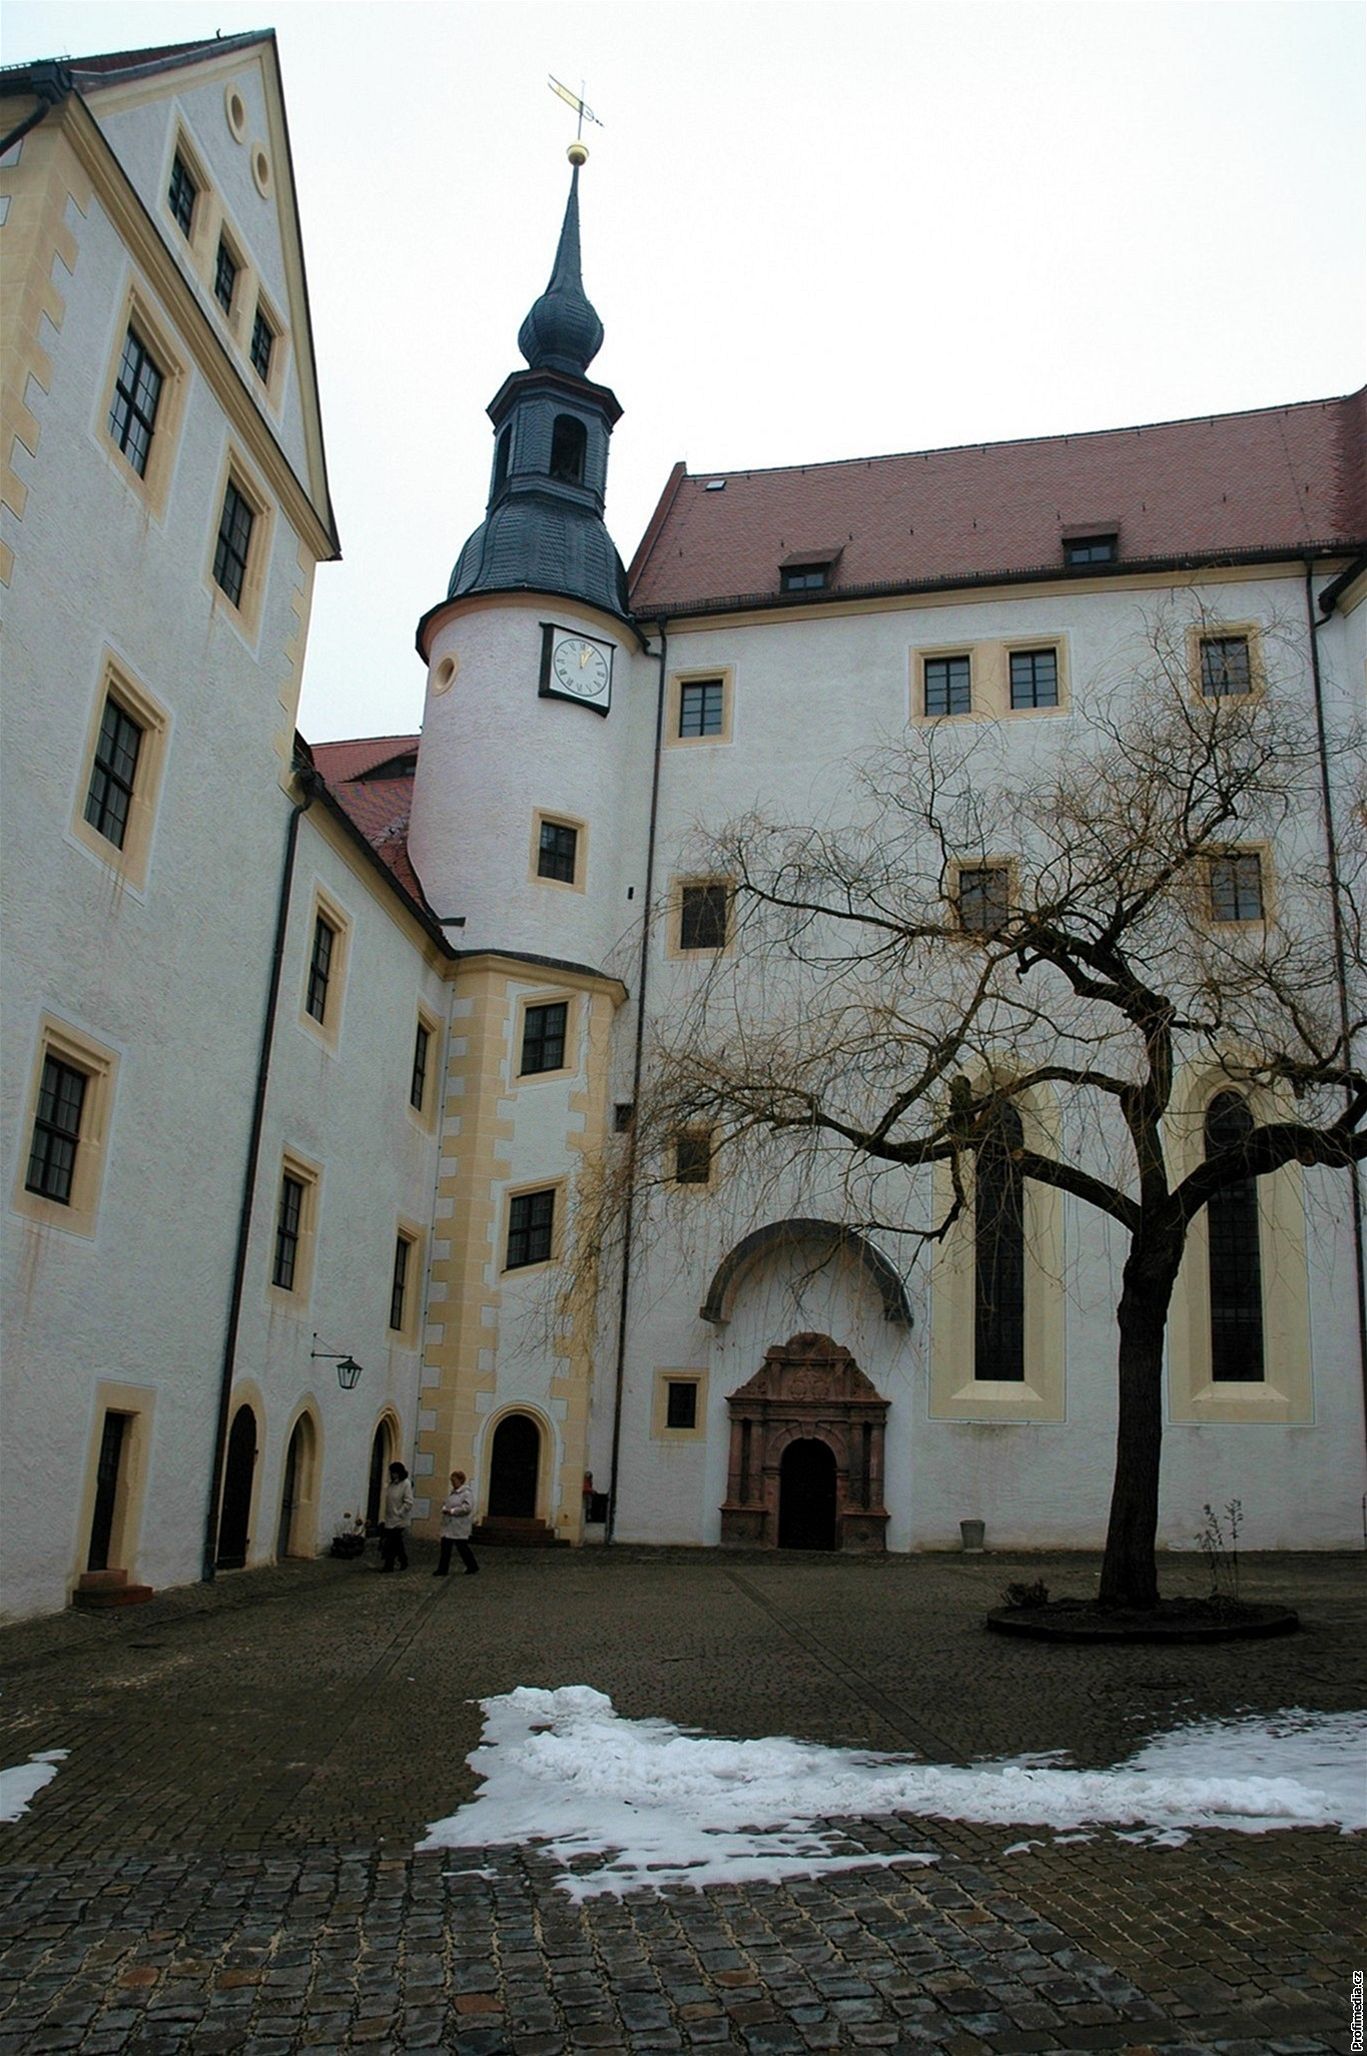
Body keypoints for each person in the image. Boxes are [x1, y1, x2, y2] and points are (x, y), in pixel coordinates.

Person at [433, 1470, 479, 1576]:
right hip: (449, 1525)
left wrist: (453, 1511)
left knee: (462, 1548)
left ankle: (472, 1566)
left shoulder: (466, 1493)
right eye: (451, 1481)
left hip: (459, 1526)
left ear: (460, 1480)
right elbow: (447, 1503)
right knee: (445, 1548)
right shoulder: (452, 1493)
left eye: (454, 1480)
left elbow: (467, 1508)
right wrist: (445, 1508)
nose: (452, 1483)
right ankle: (442, 1569)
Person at [379, 1461, 415, 1572]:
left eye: (395, 1472)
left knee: (391, 1543)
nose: (393, 1475)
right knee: (397, 1543)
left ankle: (389, 1565)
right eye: (392, 1473)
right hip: (390, 1518)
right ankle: (403, 1560)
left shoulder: (405, 1484)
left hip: (399, 1520)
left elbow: (408, 1502)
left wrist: (400, 1512)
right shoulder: (391, 1485)